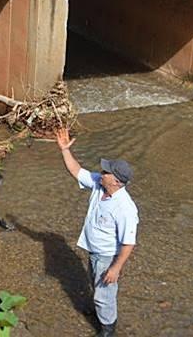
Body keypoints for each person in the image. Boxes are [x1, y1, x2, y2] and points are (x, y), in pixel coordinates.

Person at [55, 127, 138, 337]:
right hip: (94, 250)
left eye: (106, 172)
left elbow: (129, 243)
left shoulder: (125, 208)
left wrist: (116, 268)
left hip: (107, 256)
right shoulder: (99, 185)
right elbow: (76, 171)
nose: (101, 173)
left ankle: (108, 329)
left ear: (116, 182)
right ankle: (100, 312)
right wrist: (65, 150)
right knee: (95, 285)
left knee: (105, 293)